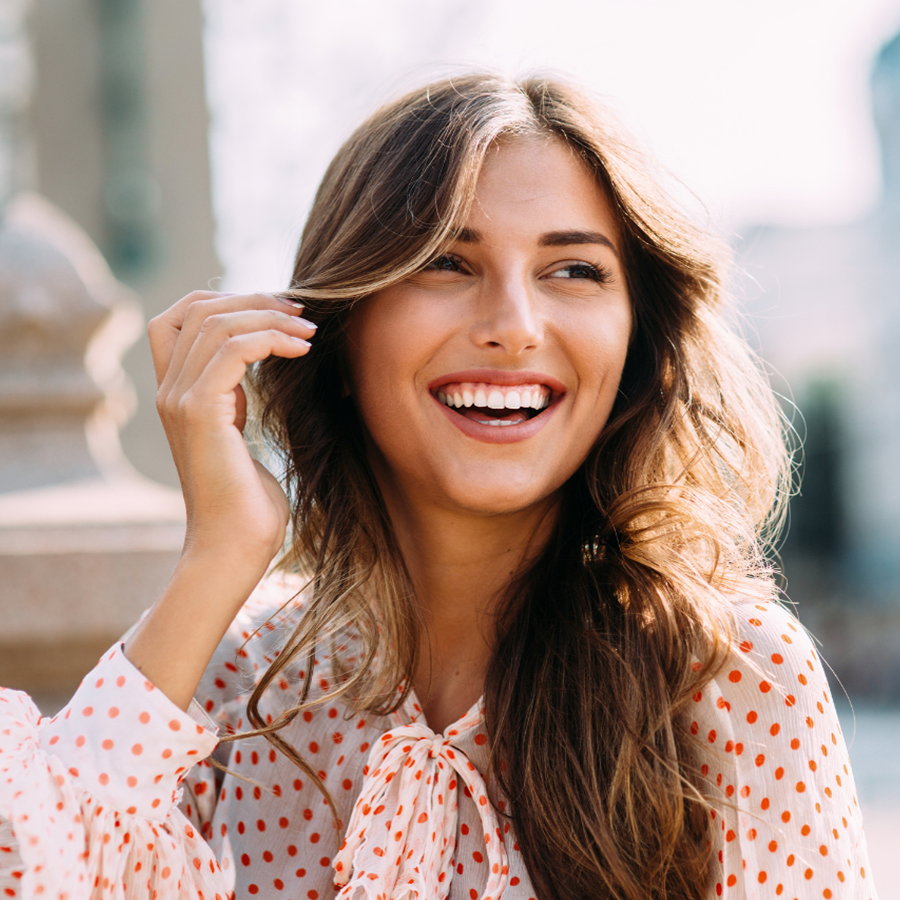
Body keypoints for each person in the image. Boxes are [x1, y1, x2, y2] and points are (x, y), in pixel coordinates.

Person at [0, 72, 877, 900]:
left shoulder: (728, 677)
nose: (514, 327)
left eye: (573, 270)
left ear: (634, 343)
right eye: (446, 264)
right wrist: (217, 555)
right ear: (336, 335)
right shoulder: (237, 686)